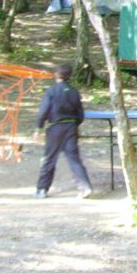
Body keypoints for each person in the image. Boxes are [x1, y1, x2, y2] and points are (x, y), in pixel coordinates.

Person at [33, 63, 93, 198]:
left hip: (55, 127)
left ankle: (42, 189)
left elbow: (43, 111)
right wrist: (75, 125)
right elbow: (80, 114)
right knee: (74, 158)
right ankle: (85, 187)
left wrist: (38, 128)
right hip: (71, 127)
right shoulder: (74, 91)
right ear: (70, 76)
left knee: (49, 158)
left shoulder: (51, 91)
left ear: (56, 75)